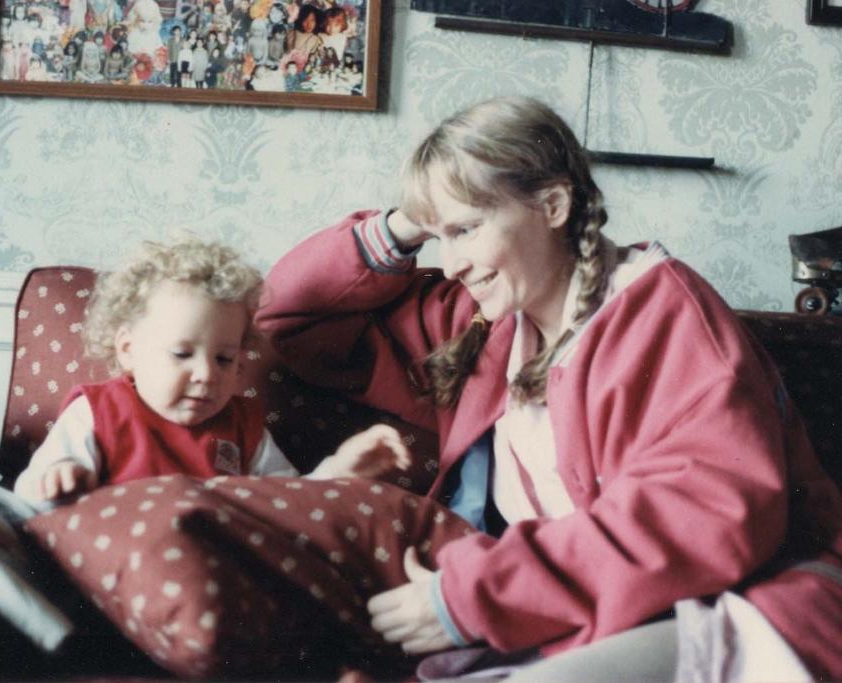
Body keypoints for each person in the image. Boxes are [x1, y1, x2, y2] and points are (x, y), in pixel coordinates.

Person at [256, 97, 842, 680]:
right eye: (441, 239)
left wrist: (478, 596)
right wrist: (410, 219)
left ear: (553, 204)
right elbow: (289, 318)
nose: (453, 262)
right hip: (578, 615)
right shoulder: (483, 322)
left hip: (740, 603)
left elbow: (708, 518)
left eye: (467, 229)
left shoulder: (662, 312)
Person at [14, 239, 411, 505]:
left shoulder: (243, 425)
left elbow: (286, 504)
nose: (206, 374)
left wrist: (337, 469)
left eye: (224, 359)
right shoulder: (97, 411)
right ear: (128, 348)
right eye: (182, 354)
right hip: (115, 554)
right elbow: (30, 493)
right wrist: (56, 477)